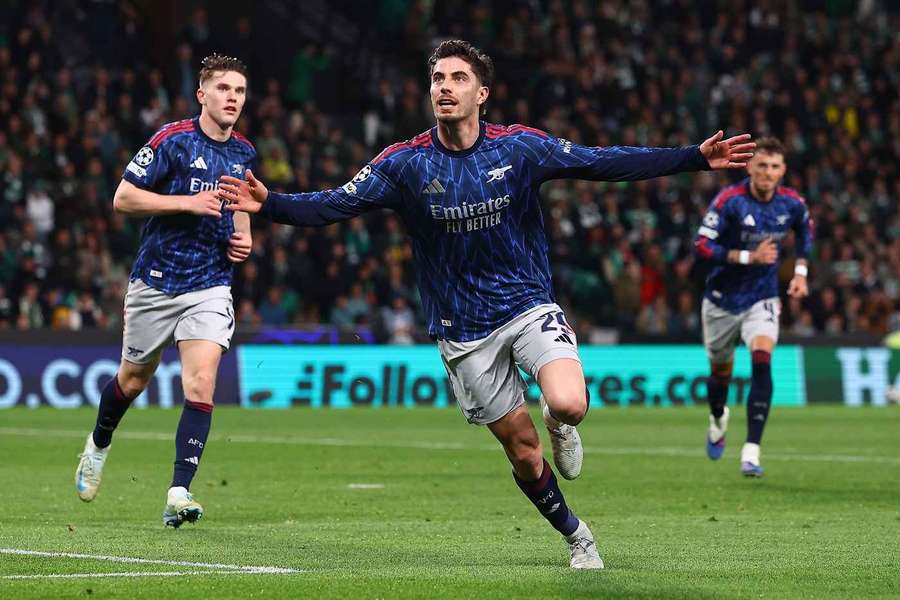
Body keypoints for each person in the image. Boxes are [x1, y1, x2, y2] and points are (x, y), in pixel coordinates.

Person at [219, 40, 753, 568]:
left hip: (526, 304)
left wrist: (692, 158)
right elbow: (335, 204)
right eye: (438, 79)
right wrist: (271, 204)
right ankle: (576, 534)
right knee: (522, 450)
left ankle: (560, 422)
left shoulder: (519, 148)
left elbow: (601, 162)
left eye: (458, 79)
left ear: (483, 93)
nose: (445, 88)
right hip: (462, 328)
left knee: (568, 402)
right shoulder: (404, 164)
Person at [75, 54, 256, 528]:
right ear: (202, 95)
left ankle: (179, 490)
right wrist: (186, 203)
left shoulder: (244, 152)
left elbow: (240, 204)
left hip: (210, 285)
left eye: (238, 90)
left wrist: (244, 234)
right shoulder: (171, 141)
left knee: (200, 383)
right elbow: (123, 198)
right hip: (155, 284)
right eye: (223, 89)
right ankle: (98, 444)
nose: (232, 98)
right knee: (132, 381)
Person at [694, 137, 812, 477]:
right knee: (720, 374)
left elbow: (805, 232)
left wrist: (801, 273)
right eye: (762, 165)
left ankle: (751, 451)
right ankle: (718, 416)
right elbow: (701, 245)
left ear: (783, 170)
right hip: (720, 299)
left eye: (775, 167)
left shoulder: (792, 204)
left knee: (762, 361)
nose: (767, 173)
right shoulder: (729, 201)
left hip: (762, 297)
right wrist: (748, 256)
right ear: (749, 166)